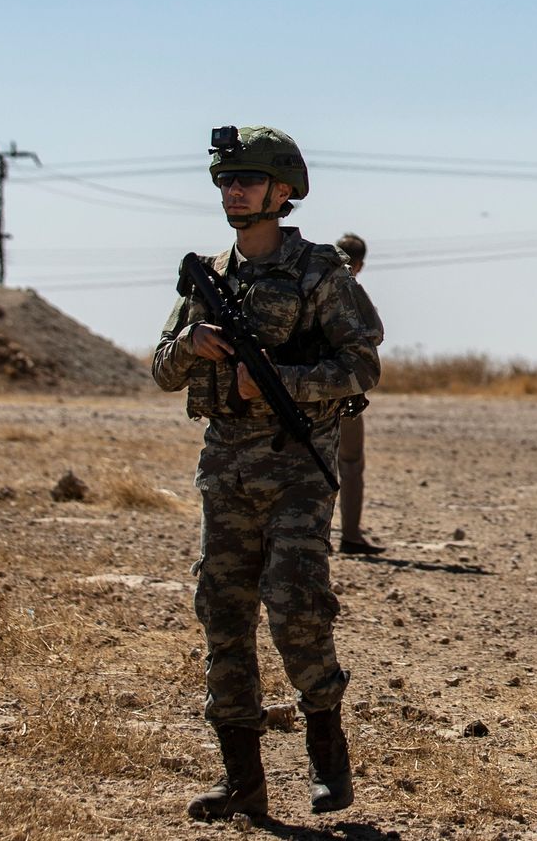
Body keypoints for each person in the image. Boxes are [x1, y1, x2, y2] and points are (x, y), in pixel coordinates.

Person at [152, 126, 383, 822]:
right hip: (224, 471)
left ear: (283, 192)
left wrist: (278, 380)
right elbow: (161, 369)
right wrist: (190, 344)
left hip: (295, 469)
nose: (235, 191)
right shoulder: (208, 276)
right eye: (227, 180)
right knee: (222, 616)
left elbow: (362, 366)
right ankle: (241, 779)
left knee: (296, 605)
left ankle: (327, 756)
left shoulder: (319, 273)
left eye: (248, 180)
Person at [333, 231, 384, 555]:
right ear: (360, 264)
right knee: (349, 463)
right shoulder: (353, 291)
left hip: (304, 385)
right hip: (344, 389)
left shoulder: (309, 285)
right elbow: (375, 332)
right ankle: (350, 534)